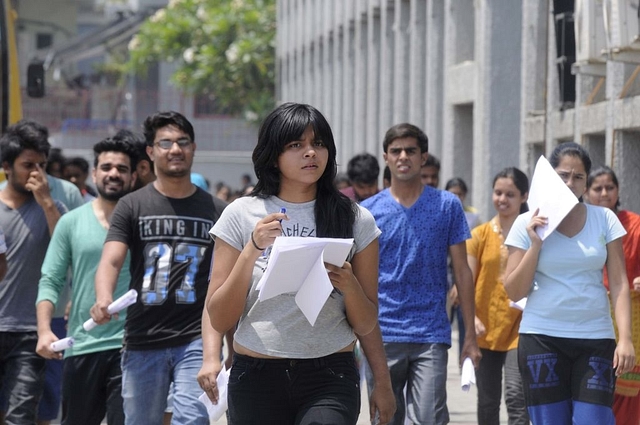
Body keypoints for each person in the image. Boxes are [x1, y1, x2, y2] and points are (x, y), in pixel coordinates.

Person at [207, 102, 386, 425]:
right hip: (256, 375)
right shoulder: (240, 214)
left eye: (318, 144)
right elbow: (219, 315)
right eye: (296, 145)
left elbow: (367, 321)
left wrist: (382, 383)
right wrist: (252, 249)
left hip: (330, 374)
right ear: (273, 155)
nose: (310, 153)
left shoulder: (356, 219)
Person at [90, 111, 228, 425]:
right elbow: (111, 259)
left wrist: (226, 347)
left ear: (194, 148)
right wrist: (103, 298)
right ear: (151, 152)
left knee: (192, 420)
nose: (175, 149)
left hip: (195, 338)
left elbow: (226, 282)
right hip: (142, 339)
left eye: (183, 142)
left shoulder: (217, 210)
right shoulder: (132, 204)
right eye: (165, 143)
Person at [504, 142, 635, 424]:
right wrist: (536, 244)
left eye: (578, 177)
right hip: (541, 337)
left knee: (594, 420)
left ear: (586, 182)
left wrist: (625, 339)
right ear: (550, 177)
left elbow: (619, 283)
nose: (570, 183)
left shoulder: (604, 219)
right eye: (563, 175)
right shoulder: (526, 223)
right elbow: (514, 290)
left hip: (595, 339)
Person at [361, 123, 481, 425]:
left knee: (427, 419)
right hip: (381, 334)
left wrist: (470, 337)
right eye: (396, 151)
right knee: (384, 419)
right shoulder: (367, 211)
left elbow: (462, 272)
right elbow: (357, 276)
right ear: (386, 157)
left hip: (431, 333)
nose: (403, 156)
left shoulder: (447, 206)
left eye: (410, 150)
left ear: (423, 157)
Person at [36, 136, 139, 425]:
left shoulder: (143, 221)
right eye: (106, 167)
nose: (113, 173)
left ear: (133, 175)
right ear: (94, 174)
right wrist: (44, 330)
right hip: (83, 344)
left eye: (121, 168)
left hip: (132, 348)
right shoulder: (71, 222)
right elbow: (50, 279)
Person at [0, 120, 67, 424]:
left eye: (42, 165)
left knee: (22, 414)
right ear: (6, 167)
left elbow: (65, 253)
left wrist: (47, 204)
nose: (37, 173)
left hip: (31, 332)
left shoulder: (53, 208)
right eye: (28, 165)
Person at [467, 167, 530, 425]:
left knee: (517, 396)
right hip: (485, 327)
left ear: (524, 197)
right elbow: (466, 282)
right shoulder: (479, 235)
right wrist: (471, 321)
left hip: (522, 326)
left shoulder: (533, 234)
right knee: (488, 400)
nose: (502, 199)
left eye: (510, 194)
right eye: (498, 193)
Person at [586, 165, 640, 425]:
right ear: (586, 193)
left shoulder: (635, 225)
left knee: (627, 397)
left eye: (610, 187)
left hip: (628, 321)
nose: (604, 193)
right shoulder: (578, 224)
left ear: (619, 191)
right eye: (597, 188)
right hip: (587, 319)